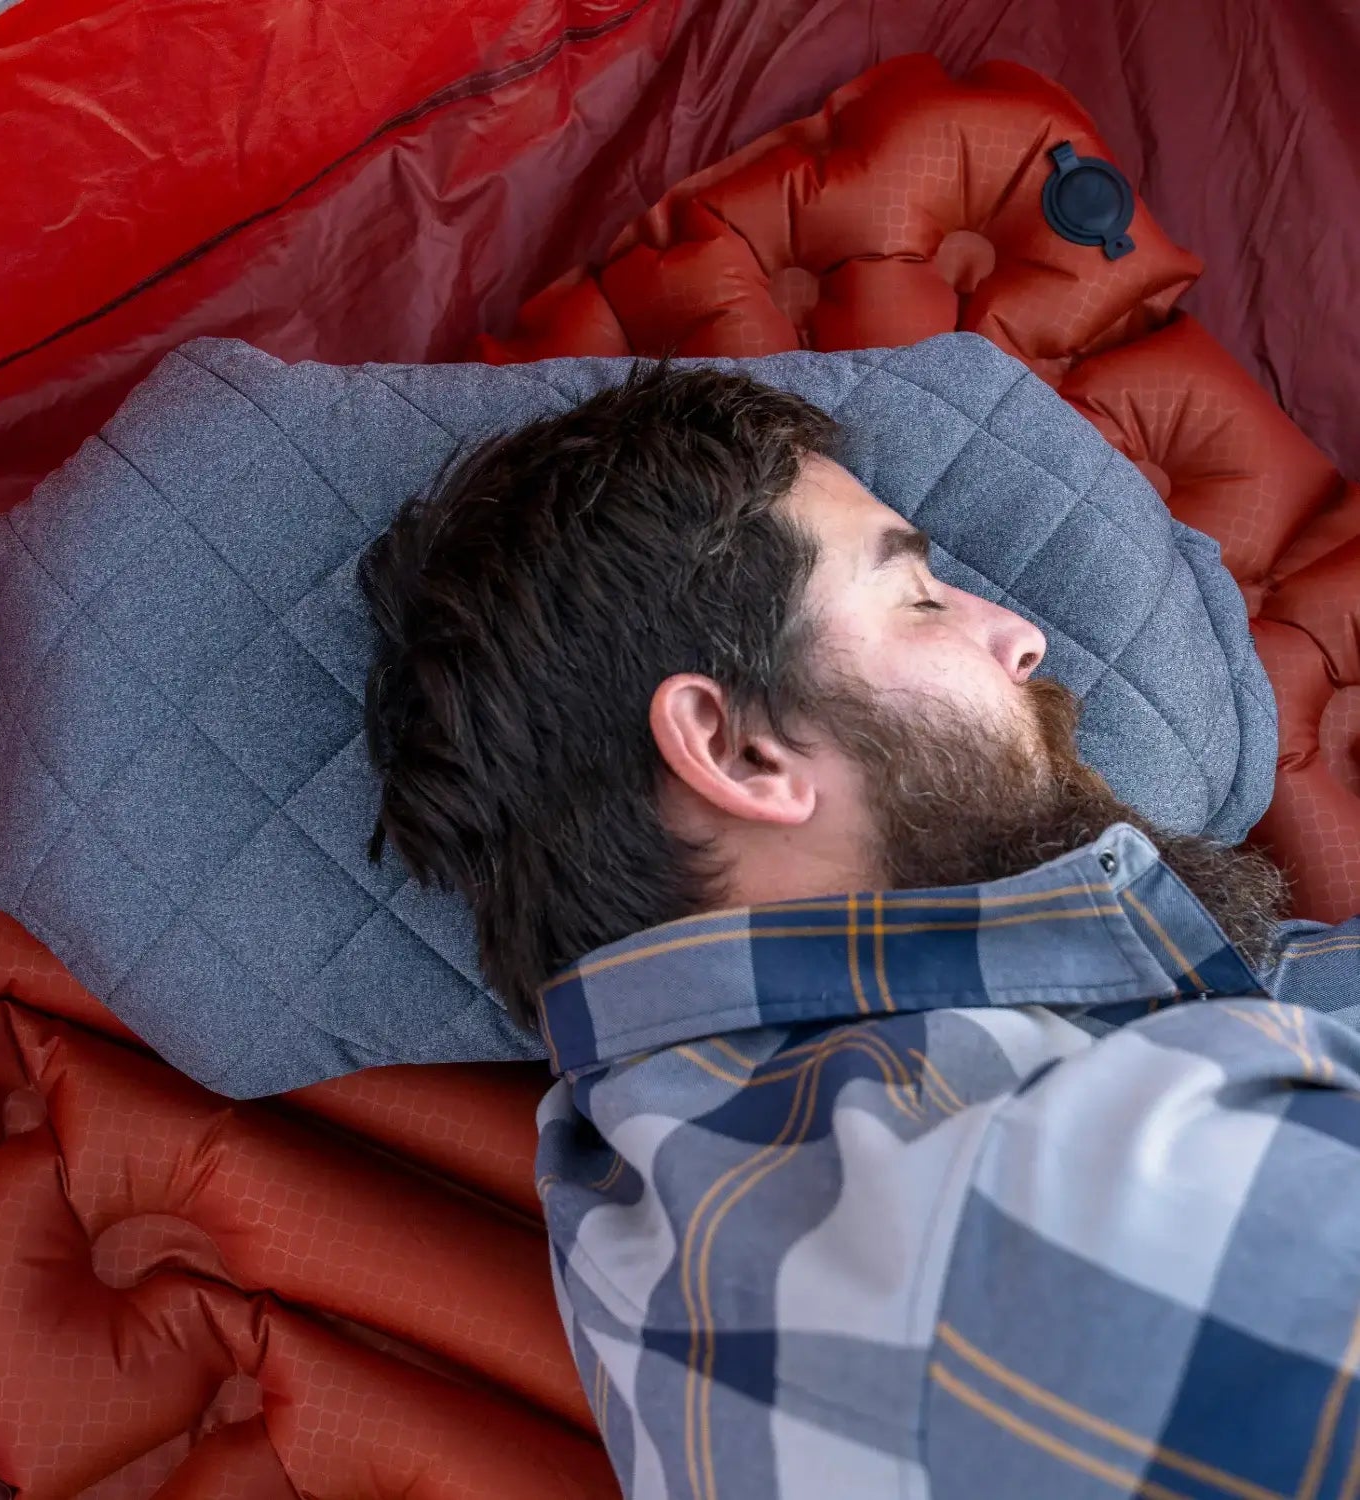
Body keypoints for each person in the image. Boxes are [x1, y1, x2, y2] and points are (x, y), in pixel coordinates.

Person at [361, 363, 1360, 1500]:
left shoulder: (657, 1169)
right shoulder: (1057, 1206)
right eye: (920, 599)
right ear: (740, 751)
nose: (1021, 636)